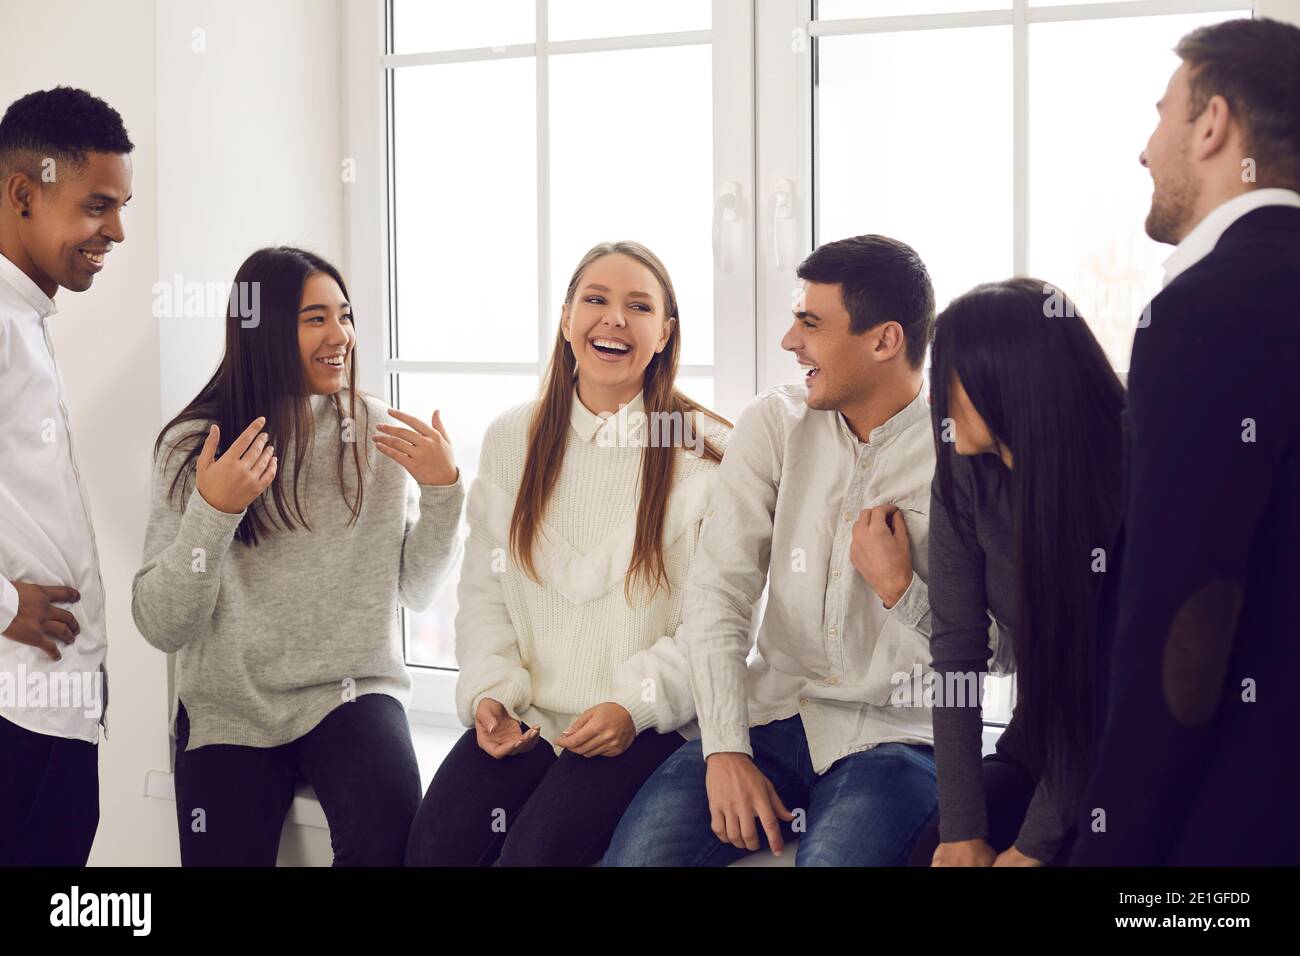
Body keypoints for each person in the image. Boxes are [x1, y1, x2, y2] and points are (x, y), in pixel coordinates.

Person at [605, 234, 940, 867]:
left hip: (900, 739)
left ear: (885, 340)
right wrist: (725, 748)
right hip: (773, 719)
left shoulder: (959, 451)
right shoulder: (773, 425)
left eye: (811, 324)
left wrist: (903, 591)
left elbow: (1000, 648)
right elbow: (720, 592)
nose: (790, 342)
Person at [132, 246, 465, 866]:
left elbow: (415, 589)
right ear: (263, 329)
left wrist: (444, 494)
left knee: (391, 840)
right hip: (229, 708)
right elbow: (162, 623)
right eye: (316, 318)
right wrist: (213, 511)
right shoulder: (194, 447)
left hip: (353, 695)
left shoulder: (374, 431)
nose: (341, 335)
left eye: (345, 315)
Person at [405, 240, 731, 867]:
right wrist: (490, 695)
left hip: (644, 727)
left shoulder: (709, 451)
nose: (613, 319)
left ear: (664, 333)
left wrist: (632, 707)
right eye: (595, 300)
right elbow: (483, 595)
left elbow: (717, 629)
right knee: (432, 849)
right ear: (565, 319)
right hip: (527, 718)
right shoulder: (512, 437)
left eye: (638, 306)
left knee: (535, 856)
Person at [1071, 16, 1300, 866]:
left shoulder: (1205, 313)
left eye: (1162, 112)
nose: (1144, 149)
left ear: (1213, 124)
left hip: (1235, 829)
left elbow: (1185, 627)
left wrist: (1113, 855)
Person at [905, 278, 1124, 868]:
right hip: (1037, 747)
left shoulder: (1125, 482)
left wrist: (1031, 848)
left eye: (949, 374)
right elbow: (956, 654)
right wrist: (961, 831)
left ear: (1002, 380)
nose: (937, 395)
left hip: (1123, 750)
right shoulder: (964, 475)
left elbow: (1103, 689)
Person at [0, 87, 134, 867]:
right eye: (97, 207)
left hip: (52, 709)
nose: (115, 230)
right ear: (24, 192)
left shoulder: (27, 320)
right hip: (19, 712)